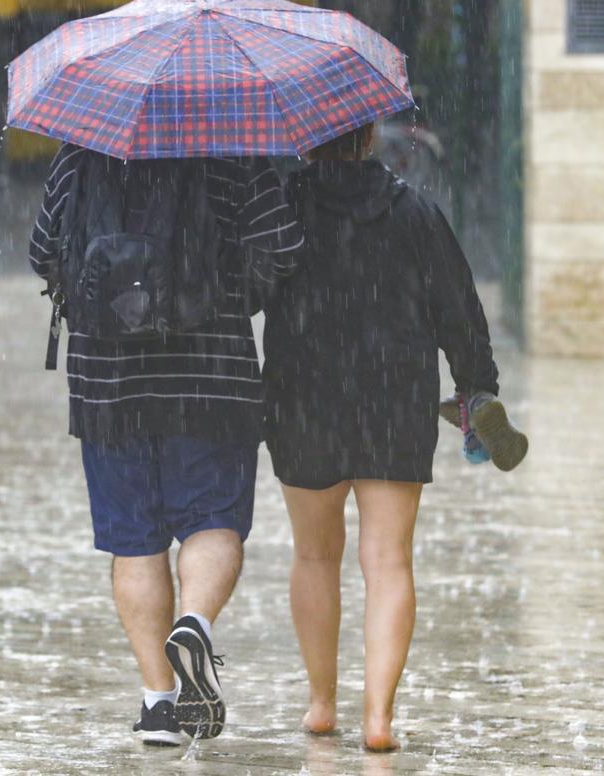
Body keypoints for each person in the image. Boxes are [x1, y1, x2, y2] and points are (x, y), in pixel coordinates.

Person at [261, 122, 526, 752]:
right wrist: (476, 385)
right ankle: (378, 717)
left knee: (315, 555)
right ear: (371, 133)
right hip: (393, 396)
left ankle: (322, 704)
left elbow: (246, 290)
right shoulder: (415, 211)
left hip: (305, 397)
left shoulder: (282, 208)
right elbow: (459, 308)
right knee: (388, 563)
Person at [29, 143, 302, 745]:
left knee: (134, 541)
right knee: (212, 521)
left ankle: (159, 704)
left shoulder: (80, 154)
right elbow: (282, 249)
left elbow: (43, 253)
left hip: (108, 384)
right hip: (211, 373)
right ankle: (194, 625)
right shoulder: (234, 154)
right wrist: (234, 294)